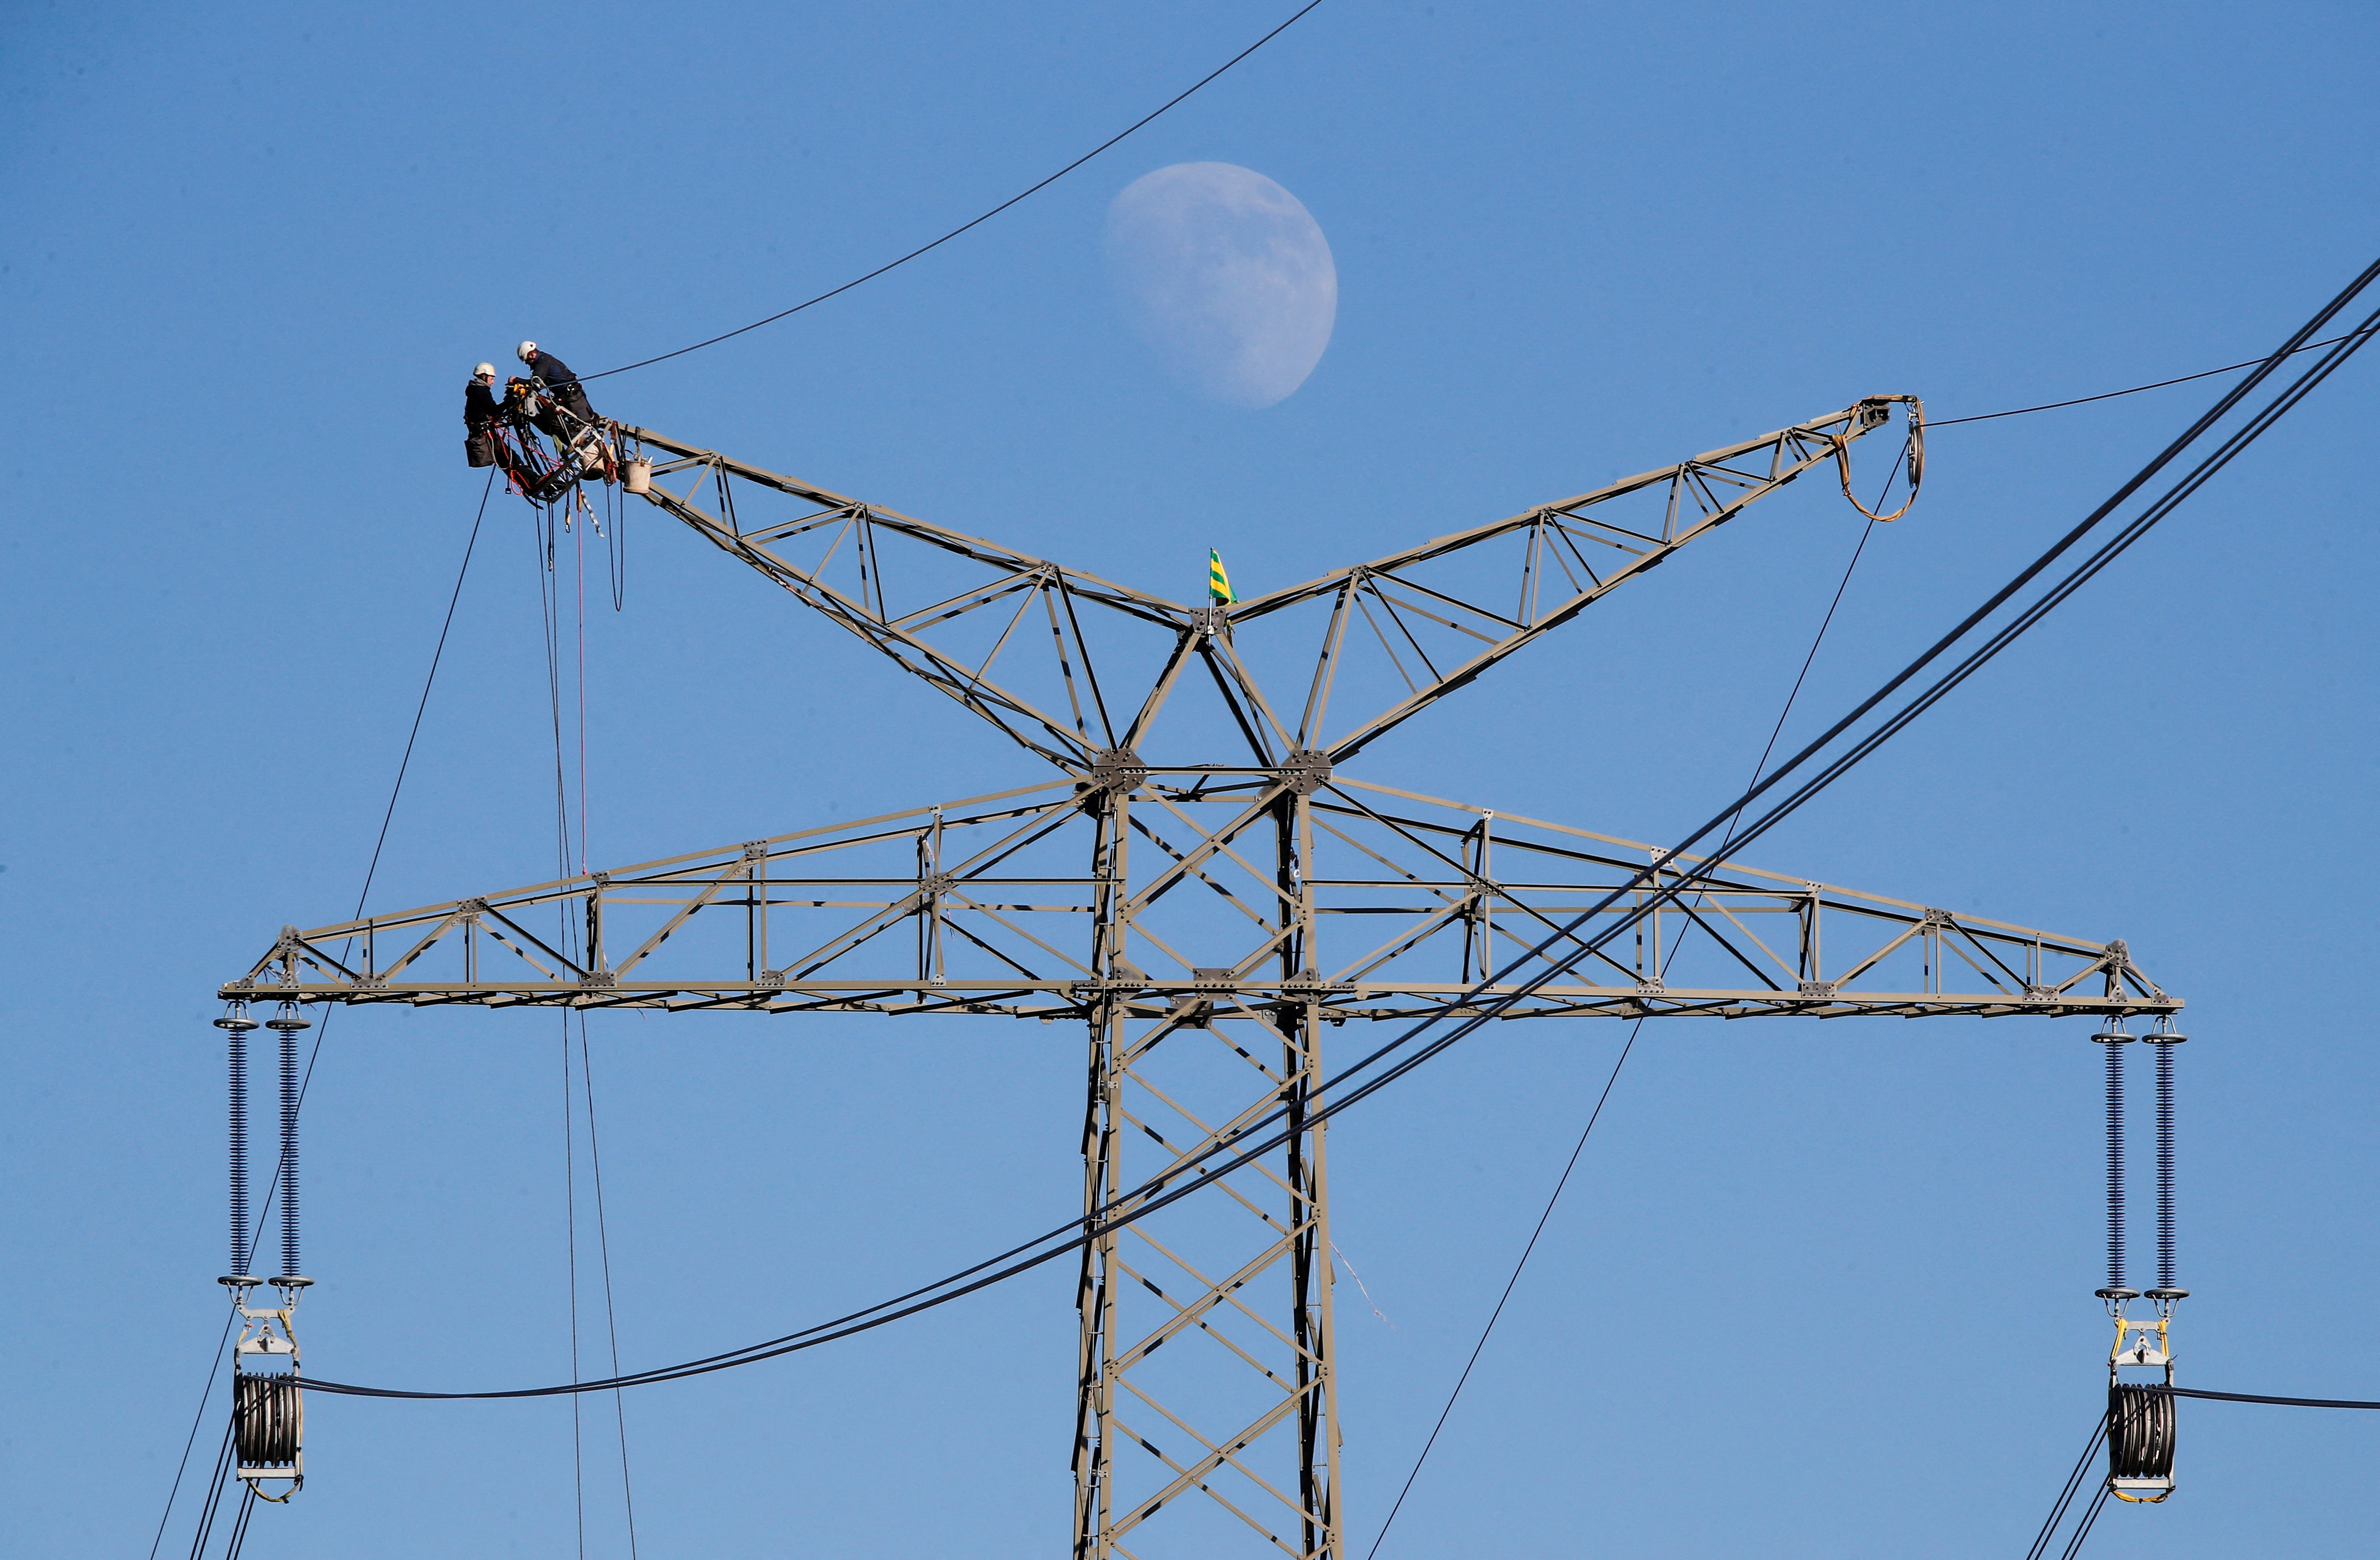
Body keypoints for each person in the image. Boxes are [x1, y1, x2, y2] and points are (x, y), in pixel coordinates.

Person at [517, 341, 597, 426]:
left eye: (528, 361)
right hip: (567, 396)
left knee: (551, 419)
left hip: (570, 397)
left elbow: (536, 384)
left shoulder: (543, 362)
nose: (527, 364)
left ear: (532, 355)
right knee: (550, 418)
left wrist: (516, 380)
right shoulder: (545, 359)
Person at [463, 362, 520, 474]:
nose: (493, 382)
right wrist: (509, 399)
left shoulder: (475, 390)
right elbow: (495, 412)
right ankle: (533, 481)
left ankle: (529, 484)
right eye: (491, 378)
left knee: (505, 460)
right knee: (510, 458)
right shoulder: (480, 390)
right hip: (485, 433)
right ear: (484, 377)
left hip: (481, 432)